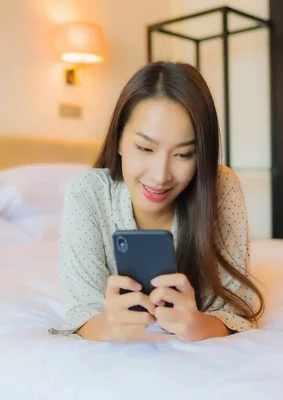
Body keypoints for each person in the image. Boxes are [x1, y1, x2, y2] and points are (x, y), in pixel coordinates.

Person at [48, 61, 265, 343]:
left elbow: (236, 310)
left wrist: (199, 326)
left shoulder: (220, 186)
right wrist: (108, 327)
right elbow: (82, 311)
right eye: (145, 148)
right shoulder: (88, 192)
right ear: (119, 141)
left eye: (184, 154)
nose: (161, 176)